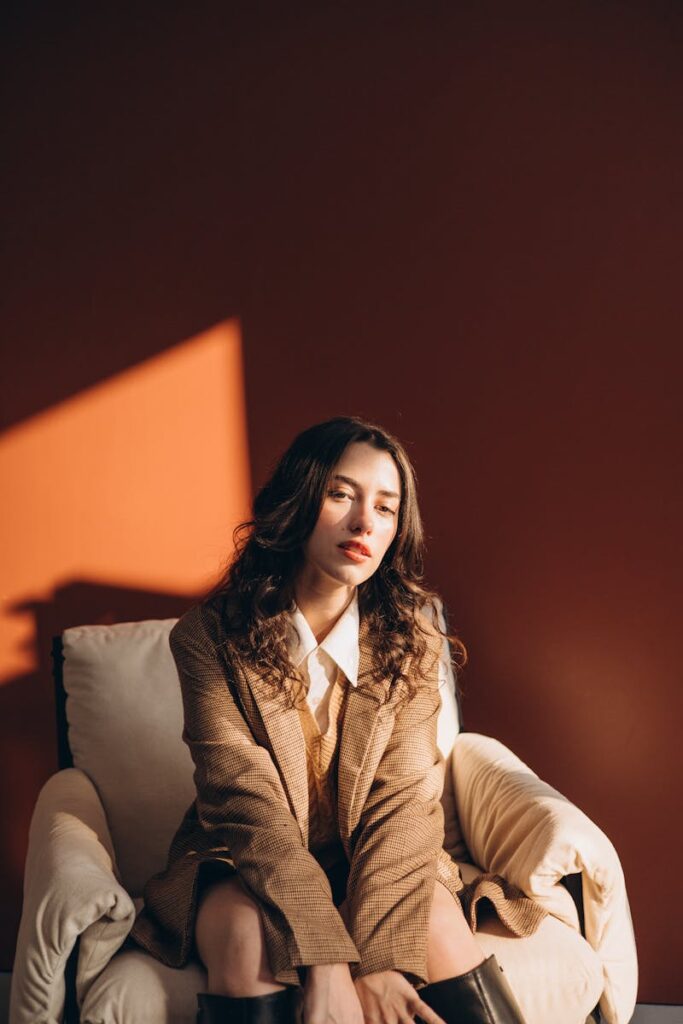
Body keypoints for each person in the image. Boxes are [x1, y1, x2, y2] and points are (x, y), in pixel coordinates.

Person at [130, 416, 544, 1023]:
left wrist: (377, 962)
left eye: (386, 507)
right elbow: (246, 803)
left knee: (434, 924)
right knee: (247, 941)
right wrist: (326, 963)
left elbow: (402, 803)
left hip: (378, 853)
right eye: (341, 494)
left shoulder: (414, 641)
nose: (364, 523)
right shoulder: (208, 638)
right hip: (243, 855)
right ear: (300, 500)